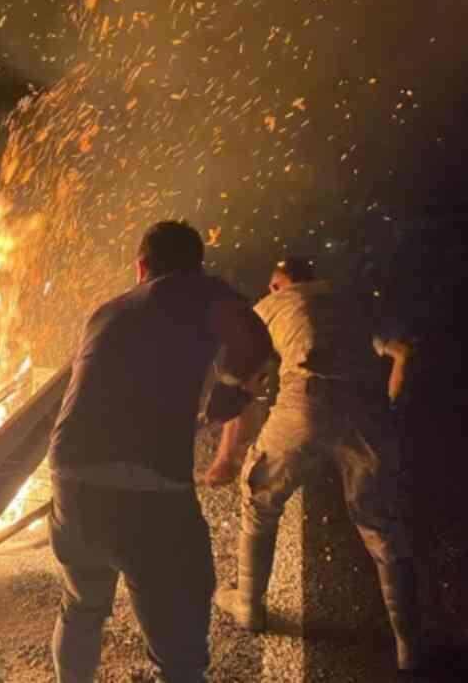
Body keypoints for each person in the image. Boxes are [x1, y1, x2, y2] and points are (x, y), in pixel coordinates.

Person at [47, 221, 273, 682]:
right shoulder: (198, 290)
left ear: (141, 266)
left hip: (70, 477)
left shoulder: (107, 310)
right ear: (196, 265)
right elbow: (256, 343)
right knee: (180, 642)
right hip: (148, 488)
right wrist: (230, 393)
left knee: (82, 605)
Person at [203, 255, 421, 672]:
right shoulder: (354, 301)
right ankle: (410, 645)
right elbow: (402, 354)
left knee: (259, 500)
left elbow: (243, 381)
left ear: (276, 285)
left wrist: (227, 456)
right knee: (383, 528)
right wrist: (391, 408)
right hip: (365, 412)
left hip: (304, 403)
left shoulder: (271, 306)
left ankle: (248, 605)